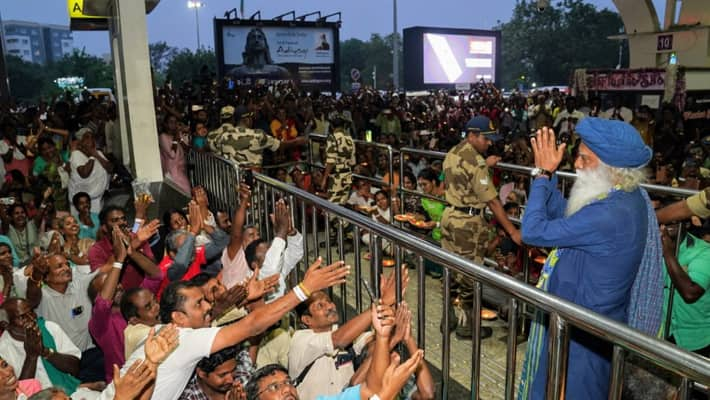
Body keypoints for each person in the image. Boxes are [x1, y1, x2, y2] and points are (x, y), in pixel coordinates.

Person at [517, 120, 663, 400]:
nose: (577, 164)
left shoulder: (610, 214)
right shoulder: (620, 197)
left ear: (614, 170)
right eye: (578, 155)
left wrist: (542, 174)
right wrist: (547, 178)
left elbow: (533, 232)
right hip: (578, 328)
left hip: (583, 339)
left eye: (586, 158)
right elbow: (565, 215)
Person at [118, 256, 349, 400]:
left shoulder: (170, 333)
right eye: (199, 303)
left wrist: (244, 300)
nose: (209, 305)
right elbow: (251, 326)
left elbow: (213, 318)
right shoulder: (183, 339)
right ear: (178, 317)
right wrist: (304, 289)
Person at [440, 116, 521, 340]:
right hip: (467, 224)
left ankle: (448, 317)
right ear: (473, 135)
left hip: (449, 216)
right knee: (469, 275)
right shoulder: (476, 162)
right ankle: (467, 327)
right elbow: (493, 201)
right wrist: (513, 232)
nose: (489, 144)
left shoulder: (453, 152)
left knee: (449, 268)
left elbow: (462, 175)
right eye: (486, 139)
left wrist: (486, 163)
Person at [660, 219, 710, 356]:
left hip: (697, 339)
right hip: (661, 332)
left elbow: (690, 293)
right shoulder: (650, 247)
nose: (664, 226)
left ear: (686, 224)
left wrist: (668, 253)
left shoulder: (703, 252)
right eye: (660, 222)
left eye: (671, 222)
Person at [67, 128, 112, 216]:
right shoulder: (76, 154)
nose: (90, 140)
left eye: (92, 137)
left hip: (97, 199)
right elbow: (84, 173)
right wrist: (92, 156)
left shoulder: (98, 152)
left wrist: (96, 155)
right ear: (81, 141)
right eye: (87, 137)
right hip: (81, 203)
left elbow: (110, 168)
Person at [226, 28, 291, 81]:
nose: (256, 40)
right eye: (253, 37)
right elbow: (230, 87)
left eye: (260, 37)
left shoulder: (280, 71)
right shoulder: (235, 72)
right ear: (247, 44)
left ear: (265, 44)